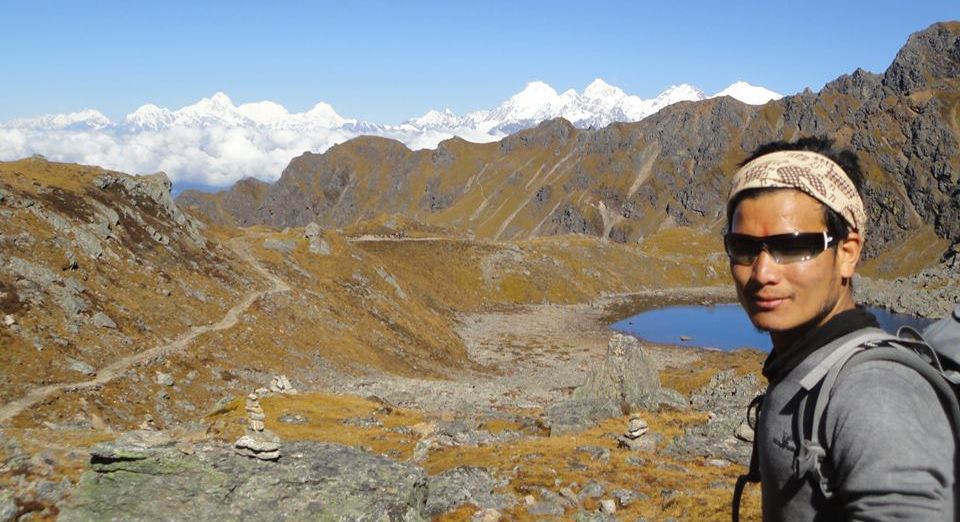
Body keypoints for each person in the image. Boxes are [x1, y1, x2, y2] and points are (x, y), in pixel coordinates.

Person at [725, 136, 955, 520]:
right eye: (743, 246)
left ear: (847, 253)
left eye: (793, 246)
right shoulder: (807, 367)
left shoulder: (875, 393)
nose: (762, 273)